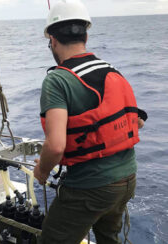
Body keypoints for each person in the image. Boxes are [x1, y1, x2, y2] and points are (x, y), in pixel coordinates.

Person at [33, 1, 146, 243]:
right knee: (108, 238)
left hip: (90, 185)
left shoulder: (57, 81)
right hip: (128, 178)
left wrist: (42, 171)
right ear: (85, 34)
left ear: (52, 40)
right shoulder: (111, 69)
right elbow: (137, 121)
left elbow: (55, 146)